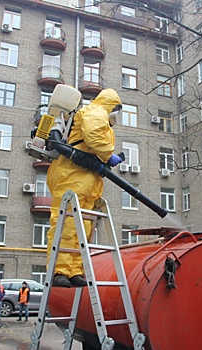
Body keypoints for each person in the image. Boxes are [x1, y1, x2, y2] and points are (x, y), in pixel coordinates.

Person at [46, 88, 122, 287]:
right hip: (72, 175)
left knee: (84, 227)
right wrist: (108, 155)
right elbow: (94, 136)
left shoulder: (102, 117)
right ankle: (59, 270)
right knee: (67, 224)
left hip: (87, 177)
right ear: (112, 105)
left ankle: (74, 271)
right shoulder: (96, 112)